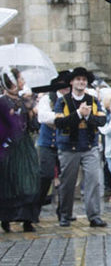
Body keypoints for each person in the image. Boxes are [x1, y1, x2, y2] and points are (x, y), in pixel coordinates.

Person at [53, 67, 107, 228]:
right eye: (78, 79)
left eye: (84, 80)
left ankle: (94, 215)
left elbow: (102, 121)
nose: (81, 82)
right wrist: (78, 114)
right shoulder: (62, 101)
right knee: (67, 183)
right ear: (71, 82)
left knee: (93, 181)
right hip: (69, 148)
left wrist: (88, 115)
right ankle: (65, 215)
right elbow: (59, 123)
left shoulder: (93, 100)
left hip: (89, 146)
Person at [0, 67, 41, 233]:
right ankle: (6, 218)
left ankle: (27, 219)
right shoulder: (2, 102)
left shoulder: (25, 100)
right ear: (12, 82)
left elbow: (33, 127)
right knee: (10, 182)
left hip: (25, 145)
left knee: (29, 179)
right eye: (20, 78)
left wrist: (32, 113)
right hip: (9, 146)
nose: (23, 81)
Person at [33, 70, 69, 215]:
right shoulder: (48, 98)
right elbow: (43, 117)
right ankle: (35, 208)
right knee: (46, 176)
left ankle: (63, 211)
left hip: (65, 143)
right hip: (47, 143)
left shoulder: (72, 99)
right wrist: (63, 118)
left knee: (66, 178)